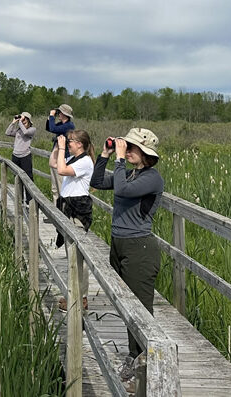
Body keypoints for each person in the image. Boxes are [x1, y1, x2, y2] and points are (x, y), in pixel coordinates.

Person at [89, 127, 164, 386]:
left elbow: (121, 191)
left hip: (139, 248)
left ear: (146, 154)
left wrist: (119, 159)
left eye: (132, 148)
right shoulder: (130, 174)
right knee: (126, 305)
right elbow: (97, 182)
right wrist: (105, 154)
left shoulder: (152, 178)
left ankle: (141, 362)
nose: (128, 150)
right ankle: (136, 357)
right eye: (127, 146)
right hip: (119, 244)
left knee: (141, 309)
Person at [48, 130, 95, 311]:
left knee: (77, 256)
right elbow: (53, 163)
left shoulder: (85, 161)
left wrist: (61, 148)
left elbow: (61, 170)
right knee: (71, 255)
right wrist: (56, 147)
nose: (68, 144)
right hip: (68, 208)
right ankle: (74, 295)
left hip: (78, 211)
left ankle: (80, 298)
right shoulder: (75, 159)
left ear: (80, 144)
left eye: (71, 142)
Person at [45, 104, 75, 204]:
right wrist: (49, 118)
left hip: (63, 159)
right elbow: (49, 128)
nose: (58, 114)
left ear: (65, 114)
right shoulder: (62, 124)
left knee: (60, 186)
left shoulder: (69, 126)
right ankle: (55, 212)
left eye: (60, 112)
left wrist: (52, 116)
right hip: (56, 158)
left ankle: (62, 213)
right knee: (54, 188)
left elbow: (53, 129)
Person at [5, 111, 36, 202]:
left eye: (25, 119)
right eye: (23, 118)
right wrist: (13, 122)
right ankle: (19, 198)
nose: (23, 120)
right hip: (15, 156)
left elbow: (26, 133)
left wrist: (20, 121)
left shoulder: (32, 129)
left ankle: (30, 201)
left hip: (25, 156)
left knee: (28, 178)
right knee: (17, 178)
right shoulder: (19, 130)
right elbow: (7, 133)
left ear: (29, 120)